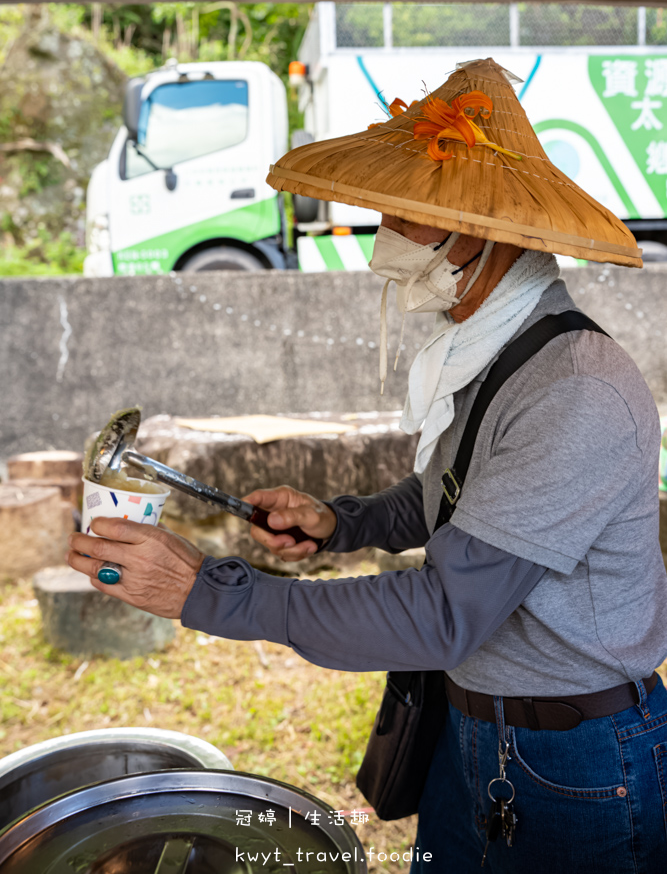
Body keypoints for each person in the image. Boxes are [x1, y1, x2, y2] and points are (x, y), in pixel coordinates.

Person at [69, 59, 667, 872]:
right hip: (472, 727)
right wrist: (341, 521)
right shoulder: (488, 354)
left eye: (406, 215)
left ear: (480, 234)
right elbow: (451, 503)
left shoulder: (574, 390)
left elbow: (443, 613)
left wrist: (211, 592)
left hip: (575, 761)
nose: (386, 232)